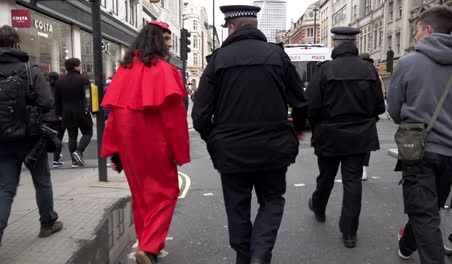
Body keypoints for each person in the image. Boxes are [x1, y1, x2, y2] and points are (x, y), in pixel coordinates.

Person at [192, 5, 307, 264]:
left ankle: (245, 257)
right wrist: (297, 130)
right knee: (272, 200)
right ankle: (260, 255)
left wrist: (214, 138)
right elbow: (300, 102)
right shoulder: (277, 55)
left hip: (232, 151)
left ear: (231, 27)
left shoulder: (218, 60)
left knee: (237, 207)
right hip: (274, 147)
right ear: (255, 26)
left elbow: (199, 115)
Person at [100, 21, 190, 264]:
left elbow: (114, 117)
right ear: (157, 41)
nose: (171, 44)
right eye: (167, 39)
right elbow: (175, 121)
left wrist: (114, 150)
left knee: (141, 197)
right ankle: (149, 247)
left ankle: (146, 243)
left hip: (129, 147)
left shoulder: (124, 70)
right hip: (155, 146)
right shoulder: (166, 71)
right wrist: (180, 153)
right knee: (166, 194)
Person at [387, 6, 452, 263]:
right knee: (428, 210)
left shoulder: (409, 62)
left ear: (428, 30)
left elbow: (395, 109)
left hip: (418, 148)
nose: (415, 37)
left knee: (424, 214)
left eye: (417, 31)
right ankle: (406, 244)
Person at [306, 27, 385, 248]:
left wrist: (316, 126)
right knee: (352, 182)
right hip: (359, 135)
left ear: (336, 44)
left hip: (330, 133)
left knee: (326, 176)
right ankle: (349, 232)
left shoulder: (325, 70)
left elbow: (311, 105)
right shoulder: (369, 71)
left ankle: (319, 207)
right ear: (355, 43)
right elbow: (379, 105)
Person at [0, 25, 63, 244]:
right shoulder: (29, 70)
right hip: (31, 137)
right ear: (16, 45)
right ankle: (48, 223)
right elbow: (47, 102)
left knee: (5, 187)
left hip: (2, 140)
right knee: (42, 180)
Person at [55, 58, 93, 168]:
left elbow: (57, 100)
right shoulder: (83, 80)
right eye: (79, 65)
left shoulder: (60, 81)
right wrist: (93, 110)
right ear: (76, 66)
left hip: (66, 112)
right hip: (82, 111)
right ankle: (79, 152)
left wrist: (59, 114)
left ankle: (74, 161)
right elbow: (88, 97)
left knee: (72, 136)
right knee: (87, 133)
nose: (80, 67)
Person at [357, 53, 385, 181]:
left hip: (356, 113)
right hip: (369, 116)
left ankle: (357, 167)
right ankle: (363, 168)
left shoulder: (355, 73)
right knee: (366, 144)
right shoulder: (375, 76)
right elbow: (381, 95)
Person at [43, 72, 66, 168]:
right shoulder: (61, 88)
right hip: (58, 117)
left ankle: (42, 161)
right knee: (58, 138)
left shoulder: (44, 88)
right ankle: (56, 161)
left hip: (45, 117)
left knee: (44, 139)